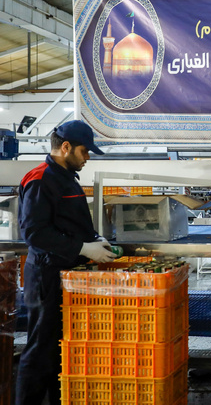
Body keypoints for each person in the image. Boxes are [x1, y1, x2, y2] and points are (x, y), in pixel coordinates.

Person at [15, 120, 117, 405]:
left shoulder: (65, 176)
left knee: (59, 351)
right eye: (85, 152)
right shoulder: (40, 178)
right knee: (39, 352)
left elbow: (68, 223)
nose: (87, 158)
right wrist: (82, 247)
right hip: (46, 276)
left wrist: (93, 239)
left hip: (66, 275)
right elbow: (35, 233)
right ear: (66, 147)